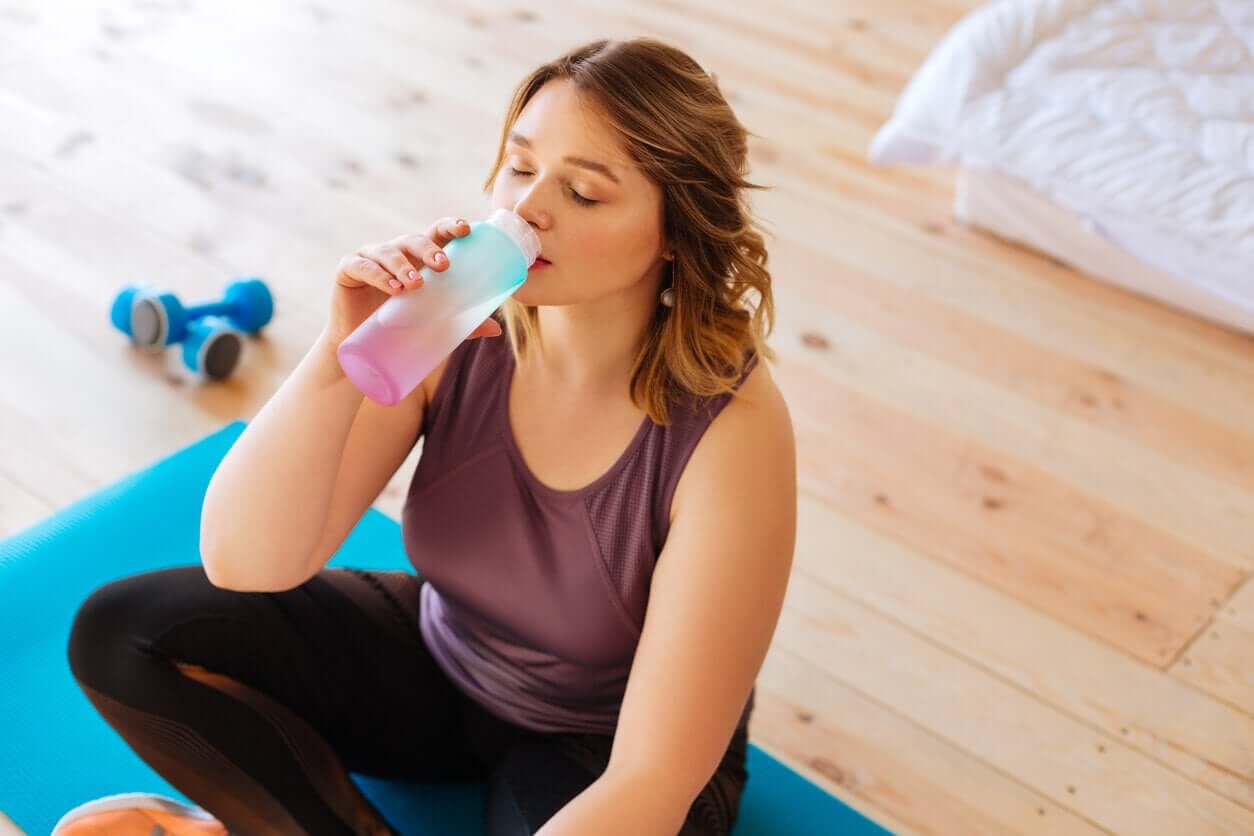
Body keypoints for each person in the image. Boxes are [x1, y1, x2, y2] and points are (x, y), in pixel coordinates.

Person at [63, 36, 797, 836]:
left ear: (676, 236)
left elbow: (652, 779)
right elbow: (247, 559)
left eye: (583, 193)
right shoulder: (455, 329)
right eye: (521, 167)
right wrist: (335, 355)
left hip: (607, 747)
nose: (527, 209)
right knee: (122, 633)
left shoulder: (733, 431)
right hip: (448, 661)